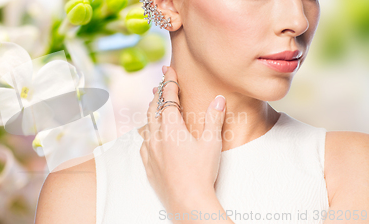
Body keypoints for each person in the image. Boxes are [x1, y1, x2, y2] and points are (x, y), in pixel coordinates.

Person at [35, 0, 369, 223]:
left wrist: (189, 198)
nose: (297, 20)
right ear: (167, 4)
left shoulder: (352, 167)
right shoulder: (82, 191)